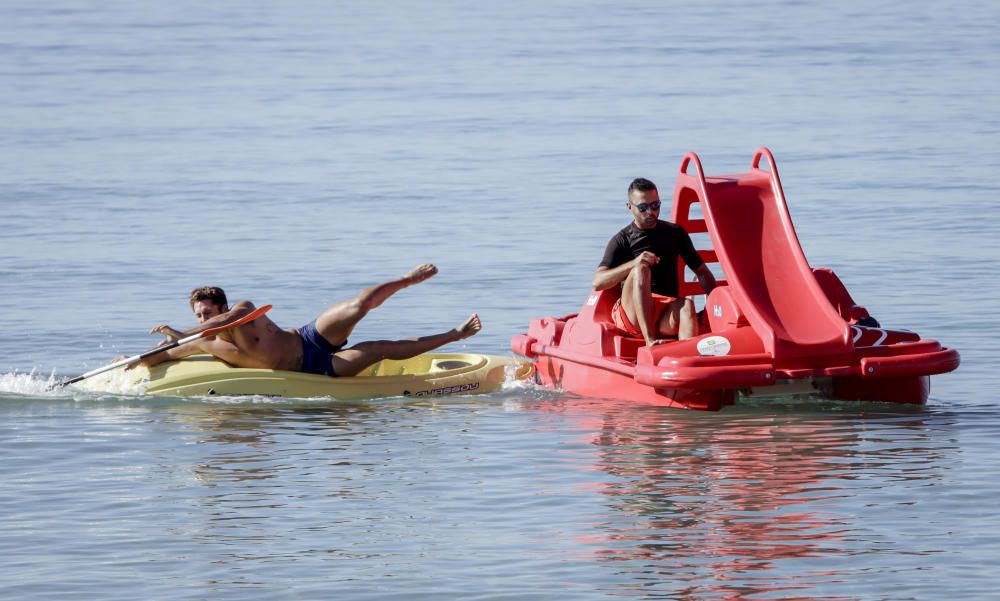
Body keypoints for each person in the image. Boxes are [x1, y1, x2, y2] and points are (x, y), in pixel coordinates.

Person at [133, 264, 481, 377]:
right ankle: (455, 334)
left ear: (220, 306)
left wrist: (185, 332)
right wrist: (129, 362)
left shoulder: (242, 308)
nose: (203, 318)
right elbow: (158, 356)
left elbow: (229, 320)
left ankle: (406, 280)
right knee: (378, 348)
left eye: (207, 312)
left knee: (360, 305)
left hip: (307, 337)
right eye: (198, 315)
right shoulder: (197, 342)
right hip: (317, 367)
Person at [592, 177, 716, 344]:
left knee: (687, 305)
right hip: (633, 316)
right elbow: (598, 282)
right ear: (630, 207)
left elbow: (702, 272)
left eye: (655, 205)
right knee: (641, 269)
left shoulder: (675, 233)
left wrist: (715, 305)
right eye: (643, 208)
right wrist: (634, 263)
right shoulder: (622, 240)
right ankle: (650, 340)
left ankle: (690, 357)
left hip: (664, 314)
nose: (650, 212)